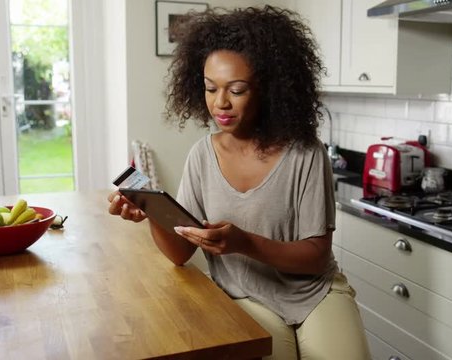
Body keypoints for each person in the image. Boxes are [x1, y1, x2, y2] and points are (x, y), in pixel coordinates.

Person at [108, 6, 370, 360]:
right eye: (210, 88)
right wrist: (152, 211)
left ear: (268, 89)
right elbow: (180, 253)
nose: (221, 103)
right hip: (246, 295)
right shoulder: (202, 155)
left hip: (316, 293)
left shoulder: (306, 153)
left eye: (237, 89)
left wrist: (243, 242)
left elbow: (316, 256)